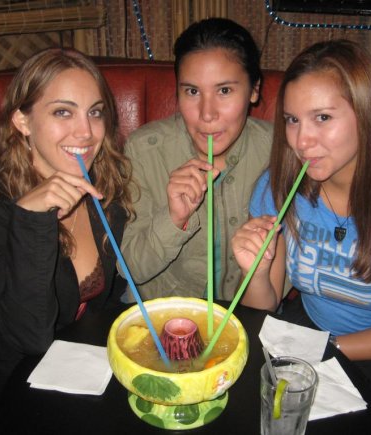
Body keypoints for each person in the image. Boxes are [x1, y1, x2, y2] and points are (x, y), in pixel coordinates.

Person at [232, 40, 371, 434]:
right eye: (292, 119)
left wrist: (327, 350)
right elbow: (262, 306)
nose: (302, 141)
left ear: (366, 116)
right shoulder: (278, 189)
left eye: (322, 117)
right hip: (312, 332)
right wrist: (256, 268)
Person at [0, 48, 132, 432]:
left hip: (80, 367)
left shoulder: (102, 184)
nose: (86, 132)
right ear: (22, 120)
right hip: (8, 385)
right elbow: (28, 333)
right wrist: (31, 219)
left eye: (95, 112)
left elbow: (107, 298)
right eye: (63, 112)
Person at [120, 18, 289, 301]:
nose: (207, 113)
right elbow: (129, 270)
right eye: (192, 91)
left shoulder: (280, 151)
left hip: (245, 315)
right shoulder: (144, 150)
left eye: (224, 91)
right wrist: (174, 219)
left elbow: (282, 282)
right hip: (163, 313)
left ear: (254, 90)